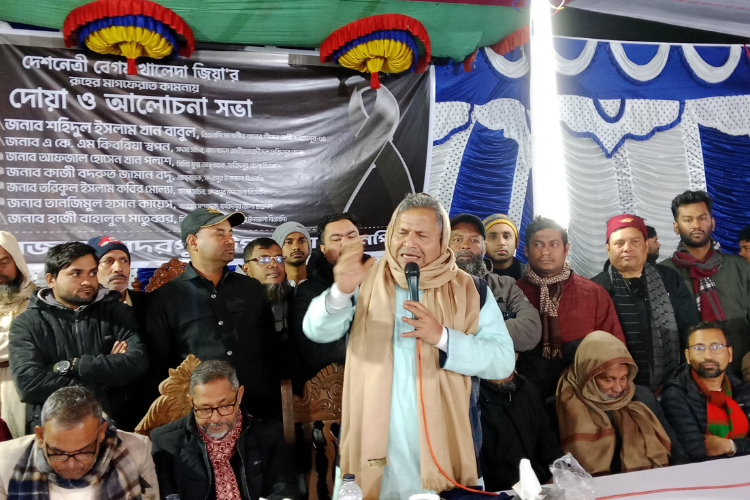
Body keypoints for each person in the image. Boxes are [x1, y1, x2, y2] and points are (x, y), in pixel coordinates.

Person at [303, 193, 515, 500]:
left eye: (422, 235)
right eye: (402, 232)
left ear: (442, 241)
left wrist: (443, 337)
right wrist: (340, 292)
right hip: (376, 444)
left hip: (445, 444)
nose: (409, 243)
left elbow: (503, 360)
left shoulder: (471, 289)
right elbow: (316, 330)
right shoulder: (364, 280)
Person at [146, 208, 280, 419]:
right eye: (220, 233)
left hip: (260, 412)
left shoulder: (252, 288)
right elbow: (159, 368)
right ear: (193, 242)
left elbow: (271, 348)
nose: (231, 240)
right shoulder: (166, 298)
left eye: (230, 233)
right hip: (202, 416)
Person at [9, 242, 147, 433]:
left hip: (115, 427)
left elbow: (136, 363)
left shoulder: (118, 313)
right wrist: (104, 381)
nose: (87, 281)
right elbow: (29, 383)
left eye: (92, 273)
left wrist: (72, 366)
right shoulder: (28, 323)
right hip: (52, 431)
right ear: (51, 279)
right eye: (76, 273)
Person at [150, 360, 298, 500]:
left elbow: (283, 489)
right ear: (191, 401)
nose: (215, 419)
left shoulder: (269, 435)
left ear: (239, 395)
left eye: (224, 406)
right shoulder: (165, 443)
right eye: (205, 408)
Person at [516, 216, 624, 399]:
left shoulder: (594, 293)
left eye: (554, 244)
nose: (546, 252)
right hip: (528, 396)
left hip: (585, 395)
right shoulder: (513, 294)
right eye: (538, 244)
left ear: (566, 249)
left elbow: (615, 347)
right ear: (526, 250)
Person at [591, 215, 699, 392]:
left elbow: (689, 327)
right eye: (619, 243)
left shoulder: (669, 278)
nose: (627, 248)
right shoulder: (595, 288)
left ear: (646, 246)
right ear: (608, 248)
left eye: (635, 241)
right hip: (616, 387)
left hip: (674, 383)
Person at [556, 331, 685, 476]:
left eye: (623, 378)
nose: (619, 388)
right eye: (609, 380)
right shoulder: (564, 406)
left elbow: (676, 450)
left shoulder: (642, 396)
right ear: (588, 375)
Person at [0, 386, 158, 500]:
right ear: (40, 436)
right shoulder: (4, 462)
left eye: (84, 452)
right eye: (58, 453)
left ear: (101, 432)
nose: (71, 465)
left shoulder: (136, 450)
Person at [661, 190, 750, 375]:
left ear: (713, 223)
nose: (696, 225)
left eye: (702, 218)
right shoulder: (663, 273)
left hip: (741, 369)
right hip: (687, 374)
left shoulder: (740, 267)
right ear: (676, 227)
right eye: (688, 220)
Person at [290, 213, 373, 385]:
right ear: (323, 248)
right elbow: (315, 351)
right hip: (332, 388)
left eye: (352, 236)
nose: (346, 243)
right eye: (336, 239)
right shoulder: (307, 291)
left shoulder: (382, 278)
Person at [449, 214, 541, 352]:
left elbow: (531, 329)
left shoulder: (505, 286)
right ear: (444, 245)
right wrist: (497, 345)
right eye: (458, 239)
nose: (465, 245)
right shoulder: (430, 282)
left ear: (484, 247)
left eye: (474, 240)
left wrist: (458, 333)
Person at [661, 322, 750, 461]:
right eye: (699, 348)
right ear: (687, 356)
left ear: (730, 354)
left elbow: (720, 448)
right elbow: (697, 453)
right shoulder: (675, 396)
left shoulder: (742, 389)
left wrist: (730, 446)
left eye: (716, 347)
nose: (708, 355)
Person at [479, 362, 563, 492]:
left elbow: (548, 442)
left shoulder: (525, 389)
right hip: (500, 491)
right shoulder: (471, 402)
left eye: (514, 353)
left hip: (542, 484)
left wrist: (558, 473)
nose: (509, 361)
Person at [0, 232, 36, 438]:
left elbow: (34, 343)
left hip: (21, 382)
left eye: (4, 261)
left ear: (17, 262)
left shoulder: (37, 301)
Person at [483, 213, 523, 280]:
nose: (501, 242)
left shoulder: (531, 276)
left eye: (506, 236)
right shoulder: (471, 277)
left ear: (516, 242)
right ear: (483, 244)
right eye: (493, 237)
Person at [272, 222, 310, 287]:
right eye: (289, 242)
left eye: (302, 241)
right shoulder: (269, 287)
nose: (296, 247)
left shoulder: (323, 284)